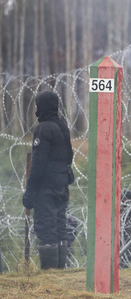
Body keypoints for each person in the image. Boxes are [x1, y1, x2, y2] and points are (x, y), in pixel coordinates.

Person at [22, 91, 74, 269]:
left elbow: (38, 163)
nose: (36, 109)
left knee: (46, 227)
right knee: (60, 225)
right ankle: (60, 270)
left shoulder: (43, 129)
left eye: (37, 105)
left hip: (45, 187)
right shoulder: (62, 126)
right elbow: (69, 156)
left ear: (42, 107)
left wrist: (30, 191)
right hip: (61, 184)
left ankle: (50, 272)